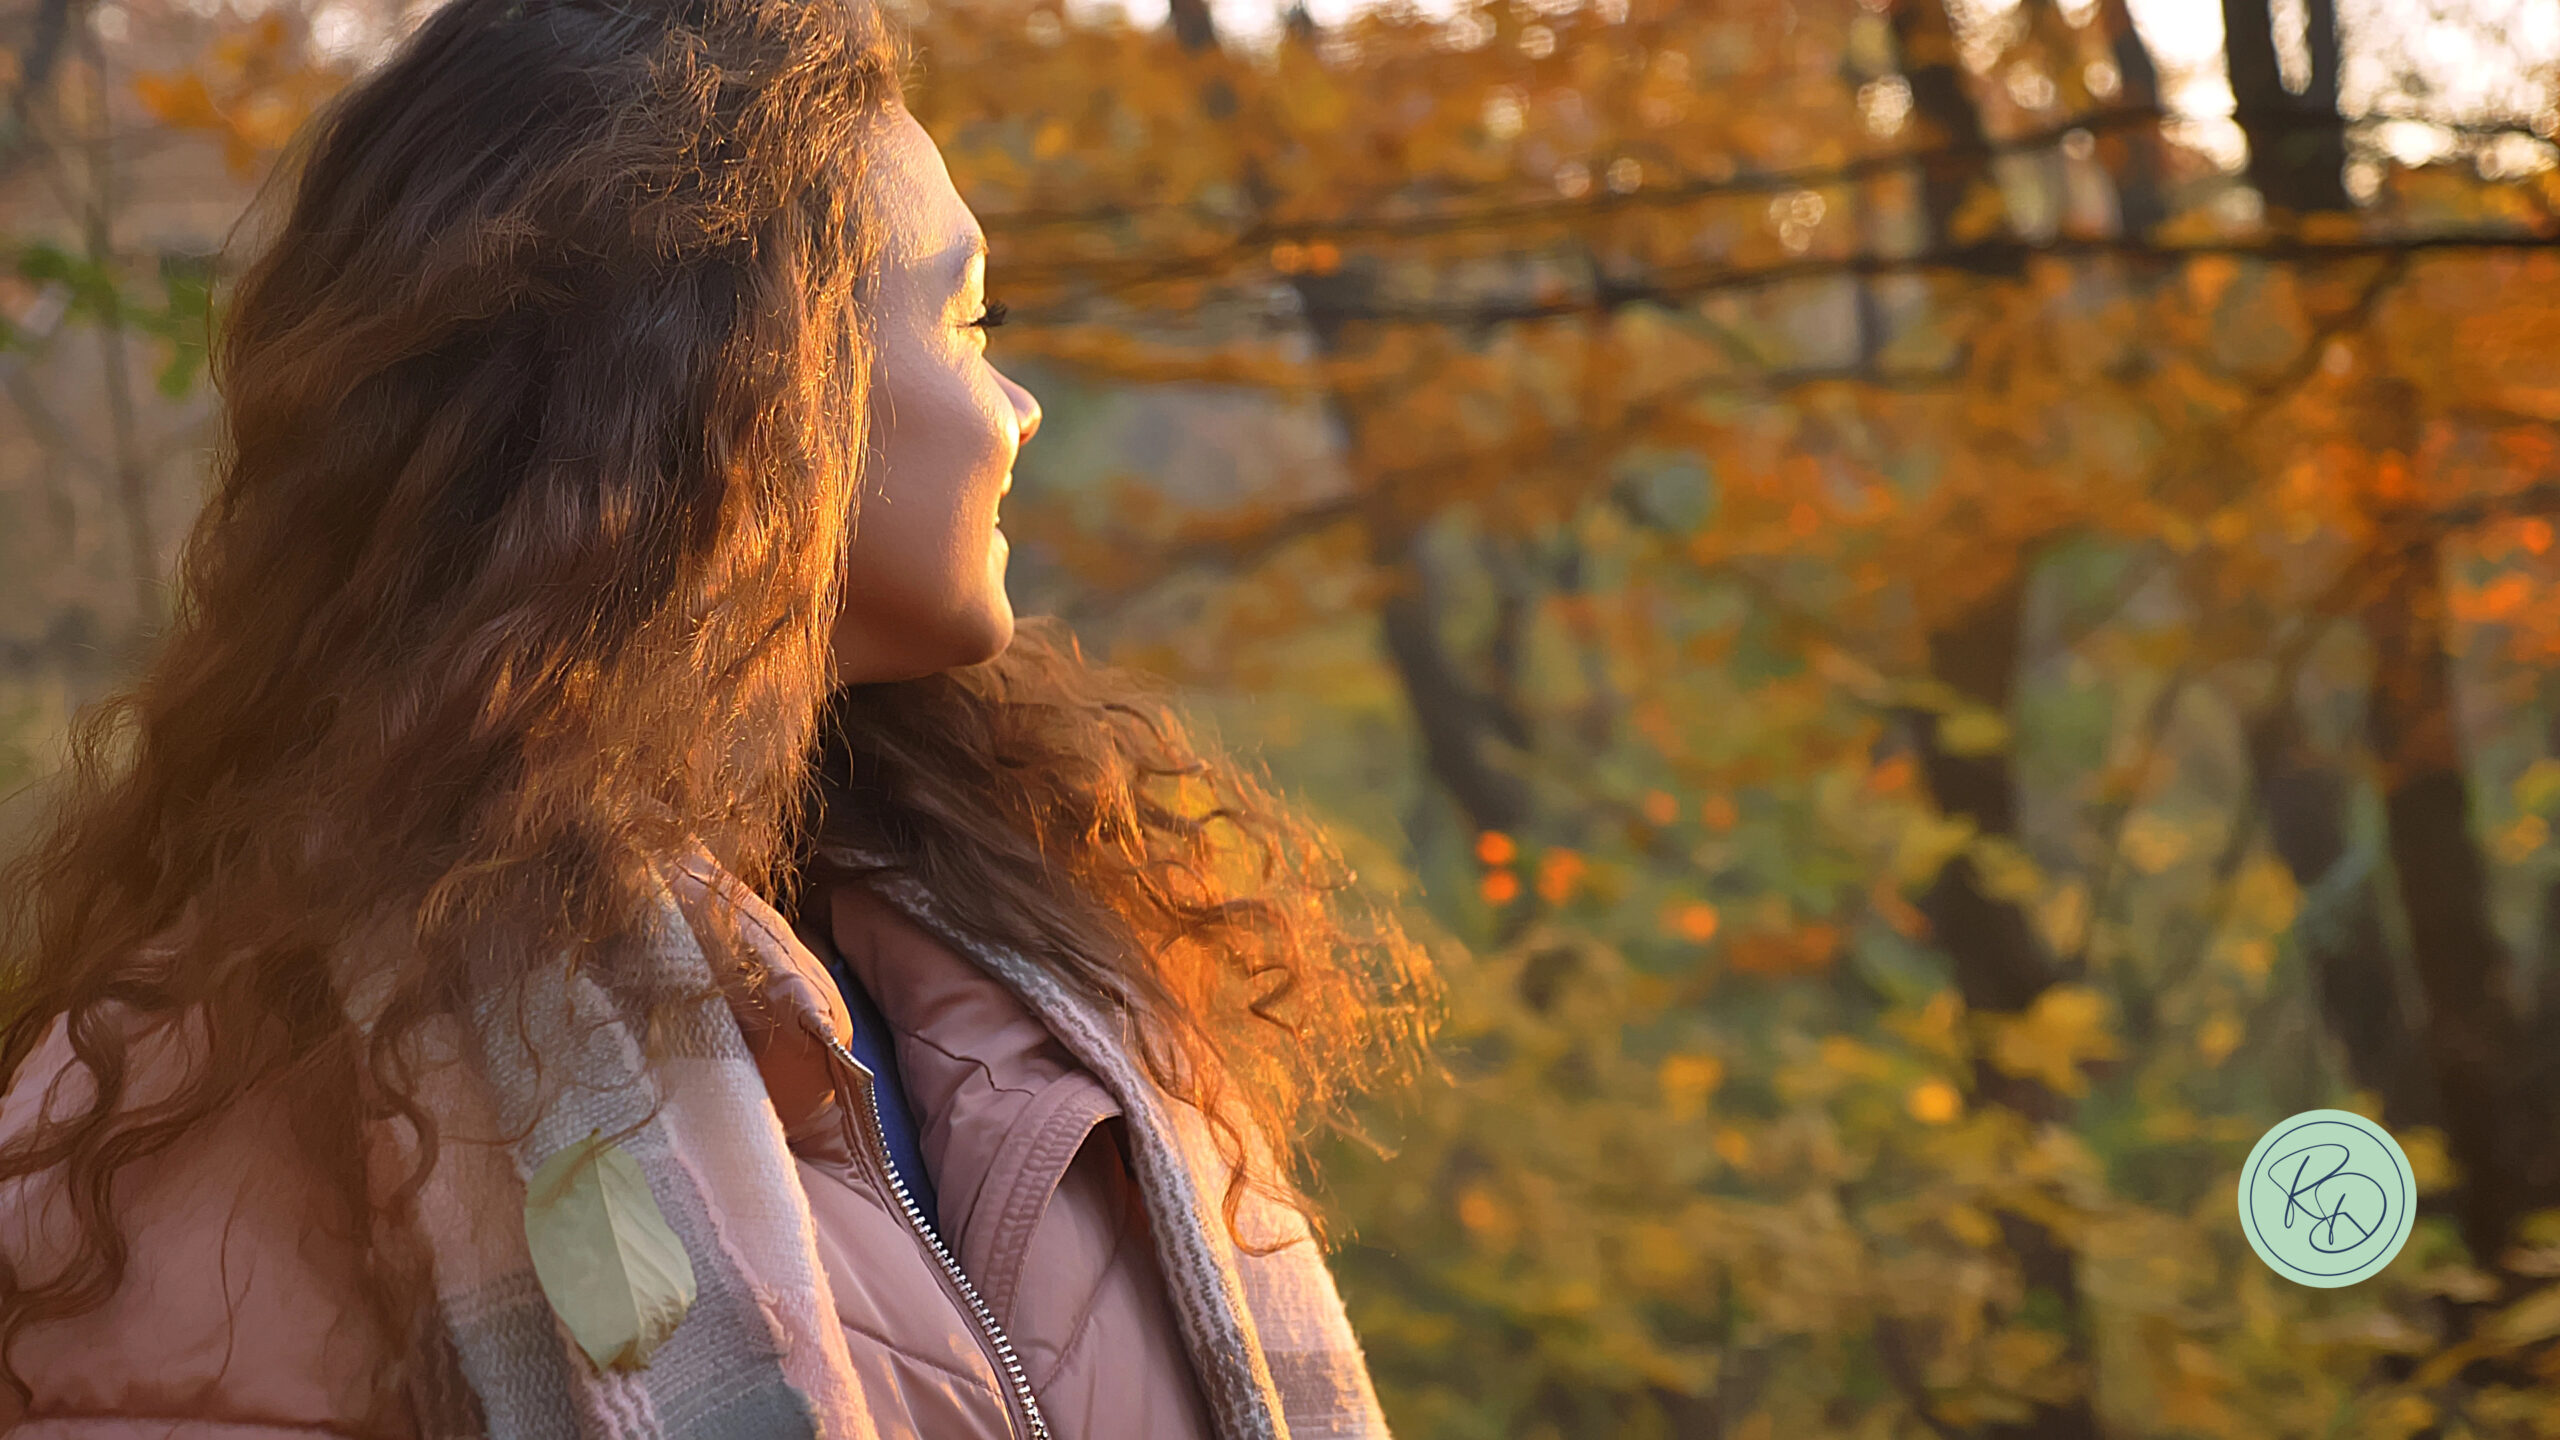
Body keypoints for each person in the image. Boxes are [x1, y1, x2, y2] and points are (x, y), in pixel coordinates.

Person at [0, 0, 1438, 1434]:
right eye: (964, 316)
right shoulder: (213, 1101)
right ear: (742, 394)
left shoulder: (1054, 990)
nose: (1017, 406)